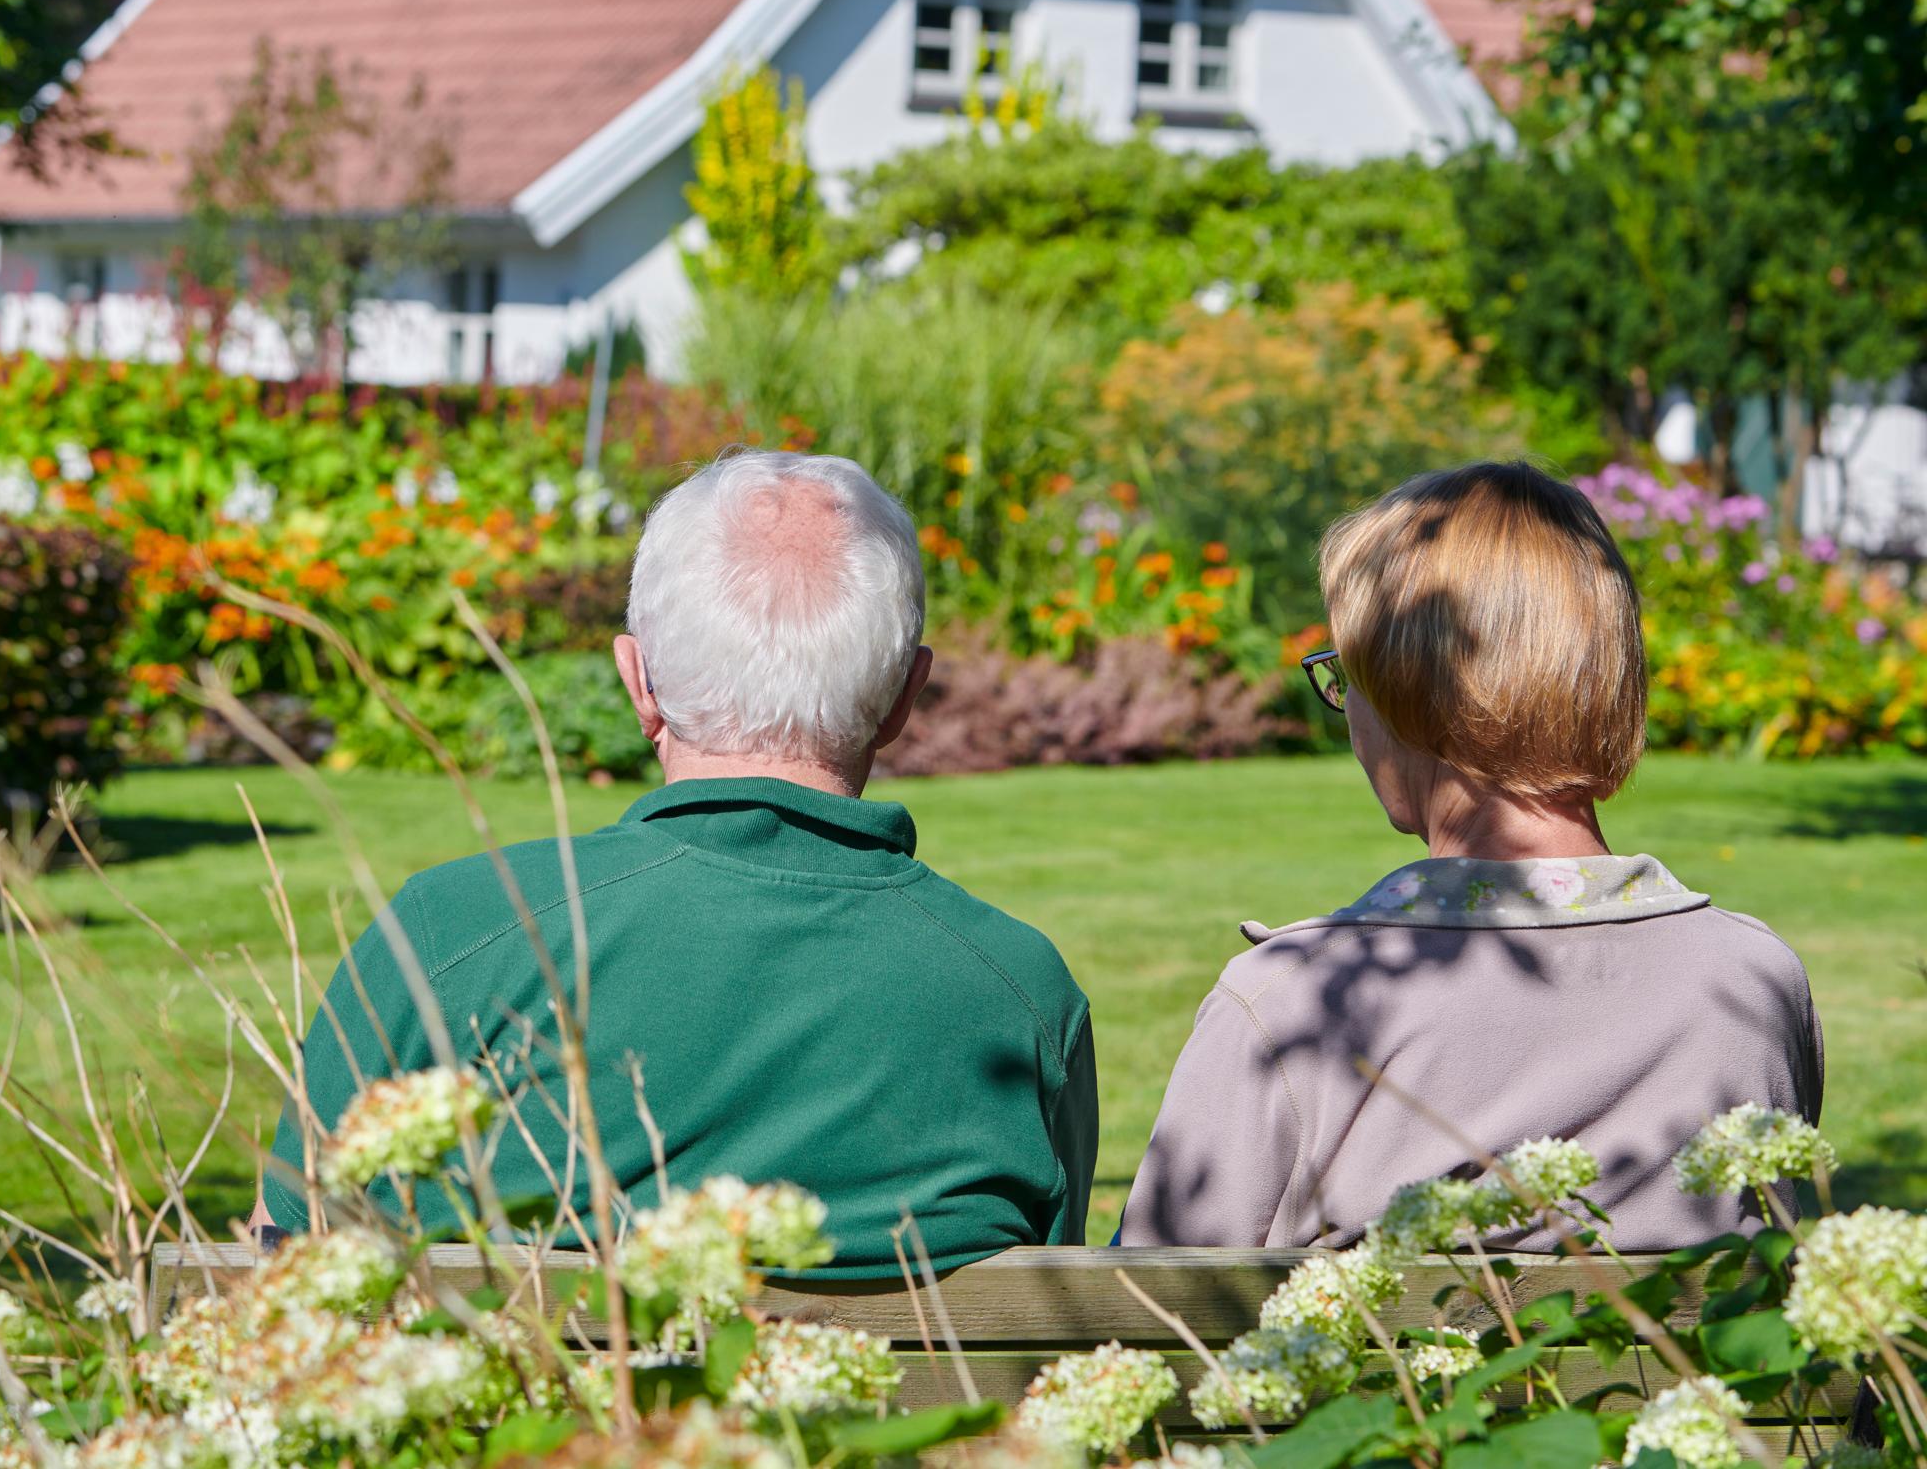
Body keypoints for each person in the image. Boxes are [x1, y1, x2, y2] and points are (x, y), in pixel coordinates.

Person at [259, 449, 1097, 1276]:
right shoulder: (1024, 998)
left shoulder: (452, 934)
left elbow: (279, 1253)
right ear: (905, 698)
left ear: (639, 683)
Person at [1116, 461, 1822, 1250]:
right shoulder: (1753, 986)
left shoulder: (1295, 1004)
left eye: (1349, 679)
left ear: (1407, 692)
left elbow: (1149, 1317)